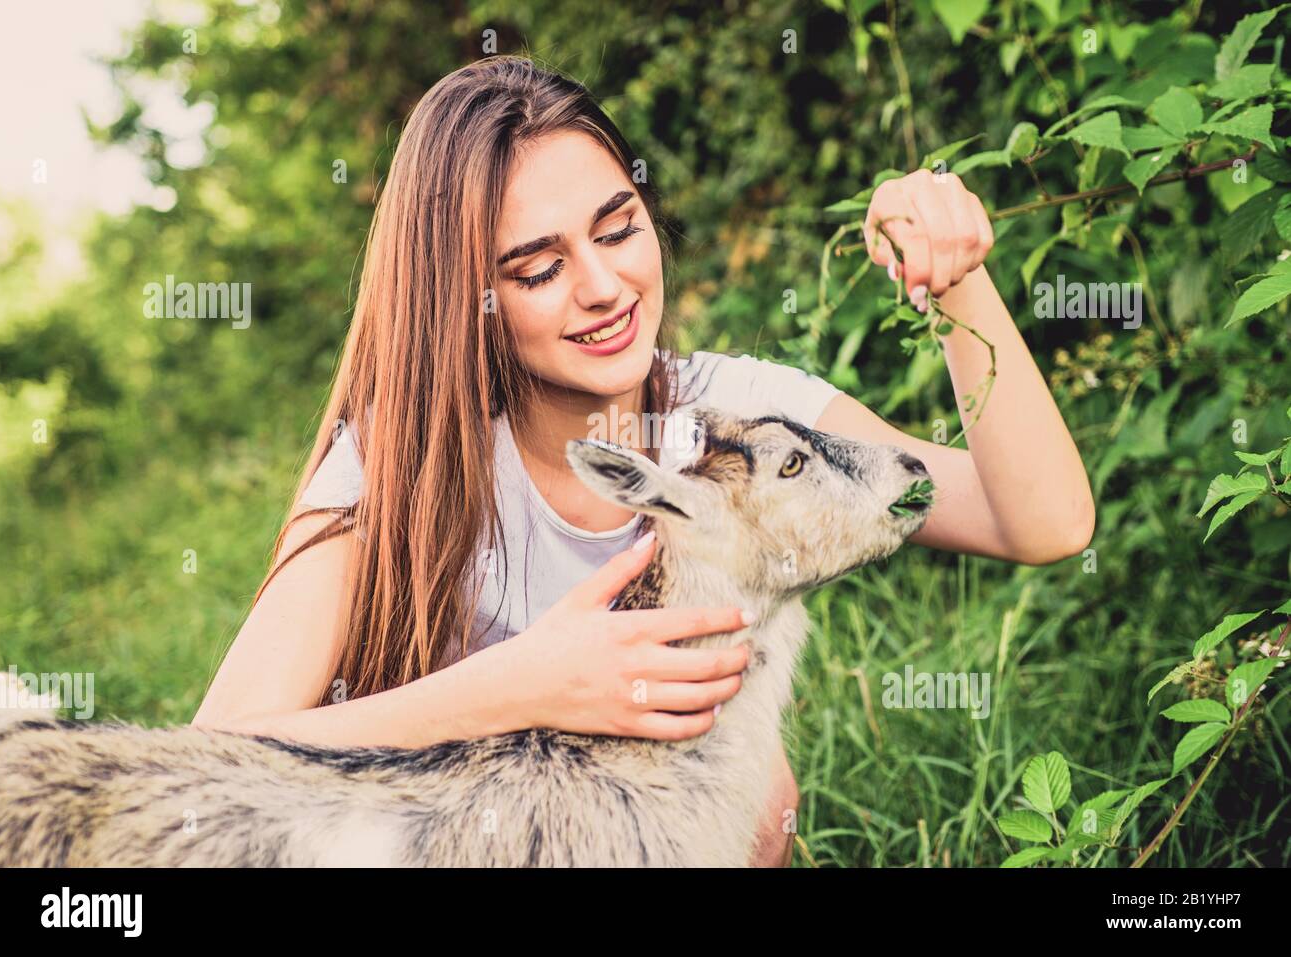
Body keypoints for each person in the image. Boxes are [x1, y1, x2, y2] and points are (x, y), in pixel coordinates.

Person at [192, 56, 1095, 868]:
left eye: (617, 228)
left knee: (764, 797)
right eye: (539, 269)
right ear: (469, 299)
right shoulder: (411, 460)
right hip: (435, 839)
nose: (602, 286)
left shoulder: (734, 422)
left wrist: (953, 280)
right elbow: (212, 759)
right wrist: (517, 686)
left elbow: (1043, 521)